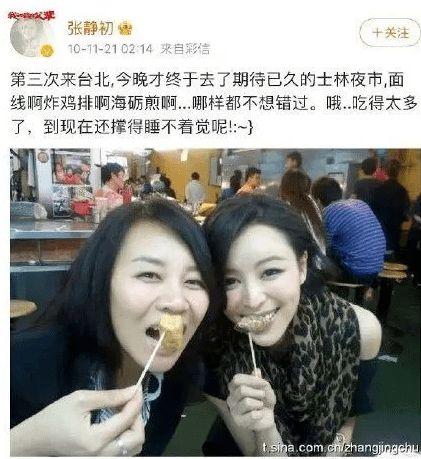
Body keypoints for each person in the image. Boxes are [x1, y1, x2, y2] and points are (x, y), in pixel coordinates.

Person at [11, 199, 218, 456]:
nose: (177, 302)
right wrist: (25, 444)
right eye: (149, 275)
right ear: (102, 282)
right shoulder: (19, 366)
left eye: (194, 281)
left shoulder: (178, 377)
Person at [201, 195, 381, 456]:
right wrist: (266, 427)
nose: (252, 300)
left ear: (302, 266)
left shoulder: (358, 331)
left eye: (270, 271)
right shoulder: (212, 345)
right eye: (230, 281)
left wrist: (336, 449)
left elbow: (347, 419)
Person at [311, 176, 386, 286]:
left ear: (317, 201)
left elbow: (323, 247)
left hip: (356, 273)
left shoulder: (329, 211)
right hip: (376, 268)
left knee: (316, 253)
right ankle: (366, 290)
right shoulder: (360, 203)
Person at [279, 169, 325, 254]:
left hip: (303, 256)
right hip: (319, 254)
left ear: (285, 186)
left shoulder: (287, 206)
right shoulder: (311, 202)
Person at [371, 159, 410, 255]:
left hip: (378, 234)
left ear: (384, 171)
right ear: (398, 172)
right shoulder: (402, 190)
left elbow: (371, 212)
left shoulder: (378, 190)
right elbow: (406, 213)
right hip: (395, 233)